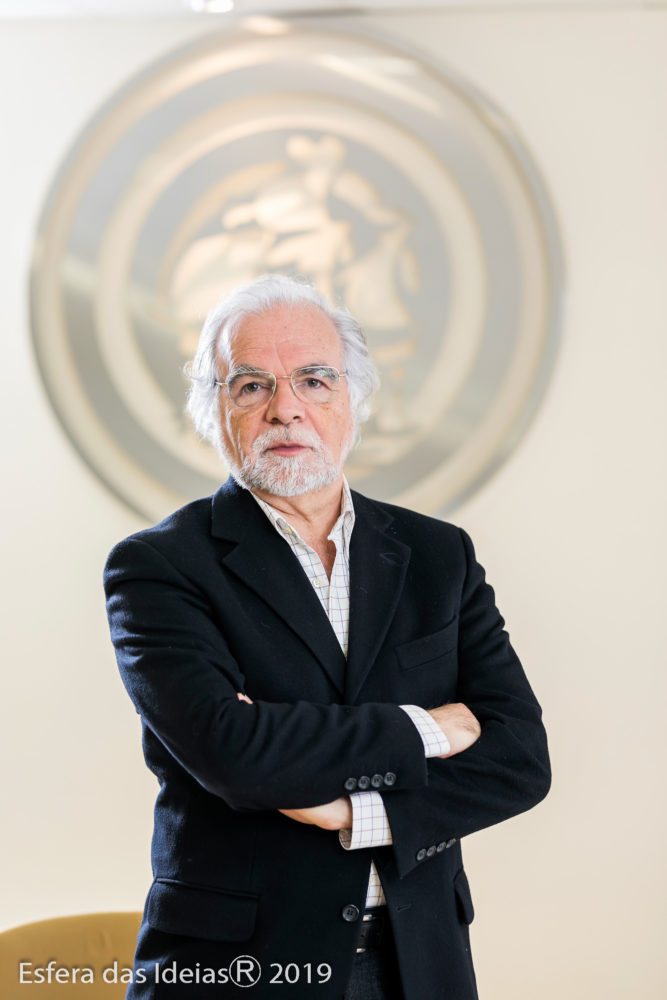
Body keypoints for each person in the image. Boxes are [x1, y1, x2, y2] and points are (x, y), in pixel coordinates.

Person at [104, 274, 550, 1000]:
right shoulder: (158, 567)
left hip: (419, 963)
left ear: (353, 399)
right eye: (251, 385)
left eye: (313, 380)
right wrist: (427, 729)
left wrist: (355, 814)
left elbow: (519, 758)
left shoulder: (438, 555)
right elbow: (234, 754)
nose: (285, 408)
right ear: (213, 411)